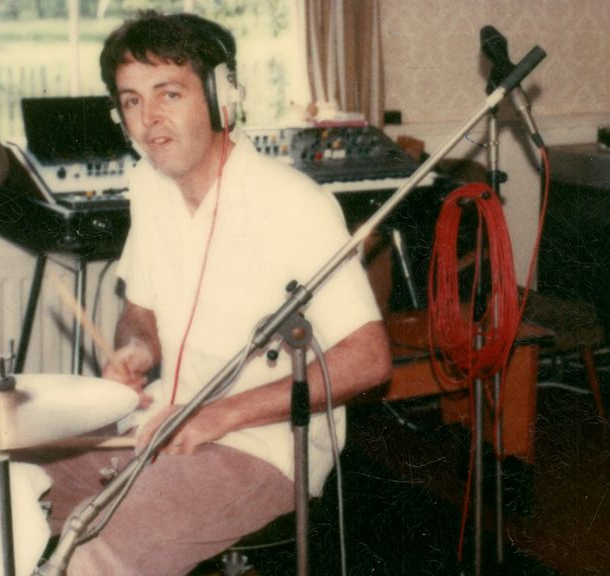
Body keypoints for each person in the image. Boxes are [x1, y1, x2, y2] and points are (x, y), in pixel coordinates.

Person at [38, 11, 391, 575]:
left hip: (264, 448)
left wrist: (217, 416)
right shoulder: (149, 185)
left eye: (168, 94)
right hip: (159, 426)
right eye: (131, 101)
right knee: (14, 490)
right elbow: (141, 311)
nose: (148, 119)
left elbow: (369, 359)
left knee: (98, 548)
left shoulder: (294, 203)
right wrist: (137, 349)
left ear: (221, 96)